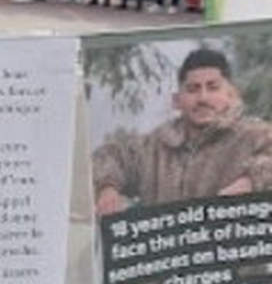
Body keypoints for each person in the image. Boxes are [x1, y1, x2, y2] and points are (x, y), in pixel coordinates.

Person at [93, 49, 272, 215]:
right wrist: (107, 188)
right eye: (192, 89)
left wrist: (252, 181)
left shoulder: (254, 136)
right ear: (177, 100)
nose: (203, 98)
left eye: (213, 87)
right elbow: (109, 156)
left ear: (231, 94)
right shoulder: (153, 148)